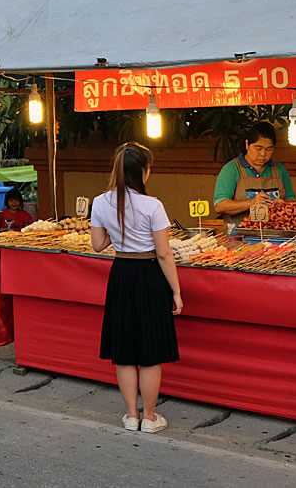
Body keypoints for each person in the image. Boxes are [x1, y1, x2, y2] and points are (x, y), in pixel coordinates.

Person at [90, 142, 183, 434]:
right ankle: (150, 417)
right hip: (150, 275)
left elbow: (97, 244)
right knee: (150, 353)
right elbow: (165, 254)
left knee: (126, 350)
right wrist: (177, 292)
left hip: (121, 274)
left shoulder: (100, 202)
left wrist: (117, 231)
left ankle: (131, 415)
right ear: (142, 171)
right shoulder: (152, 205)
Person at [213, 121, 296, 228]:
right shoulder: (232, 169)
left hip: (273, 234)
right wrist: (251, 202)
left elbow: (291, 201)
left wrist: (284, 205)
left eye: (268, 149)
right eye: (258, 148)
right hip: (237, 235)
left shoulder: (279, 170)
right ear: (247, 144)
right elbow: (220, 206)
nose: (263, 154)